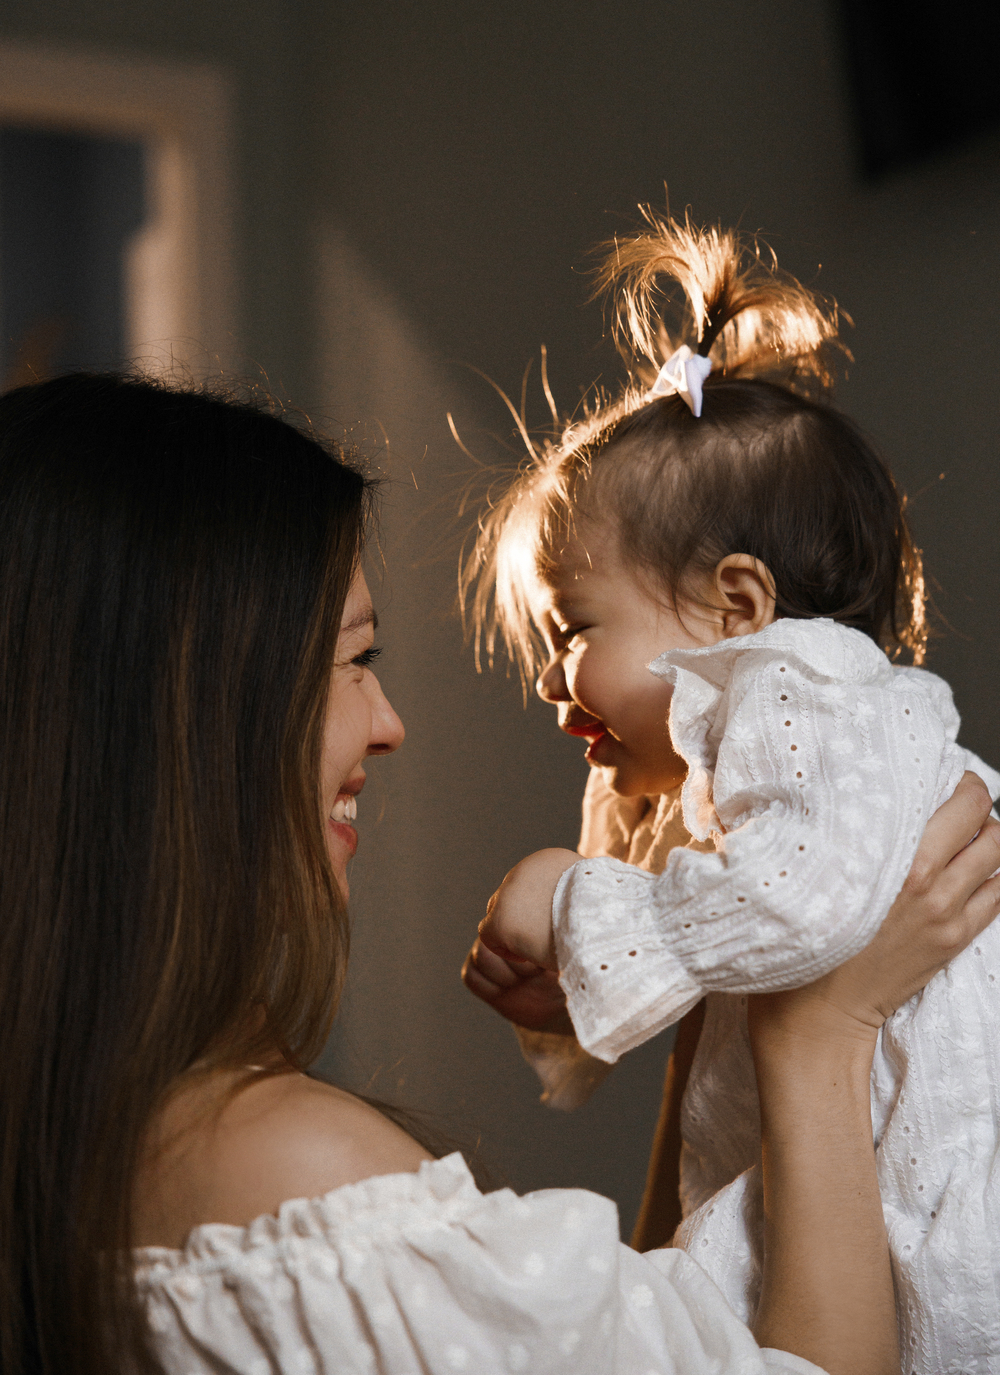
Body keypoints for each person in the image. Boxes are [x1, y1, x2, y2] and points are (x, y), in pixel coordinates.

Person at [0, 374, 997, 1375]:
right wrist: (821, 1029)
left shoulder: (80, 1161)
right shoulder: (296, 1182)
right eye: (351, 659)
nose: (389, 723)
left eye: (575, 631)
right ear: (185, 711)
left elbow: (693, 1347)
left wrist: (690, 974)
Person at [460, 211, 1000, 1375]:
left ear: (738, 607)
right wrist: (587, 1001)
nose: (555, 678)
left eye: (574, 630)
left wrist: (572, 903)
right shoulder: (768, 756)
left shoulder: (804, 692)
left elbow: (798, 911)